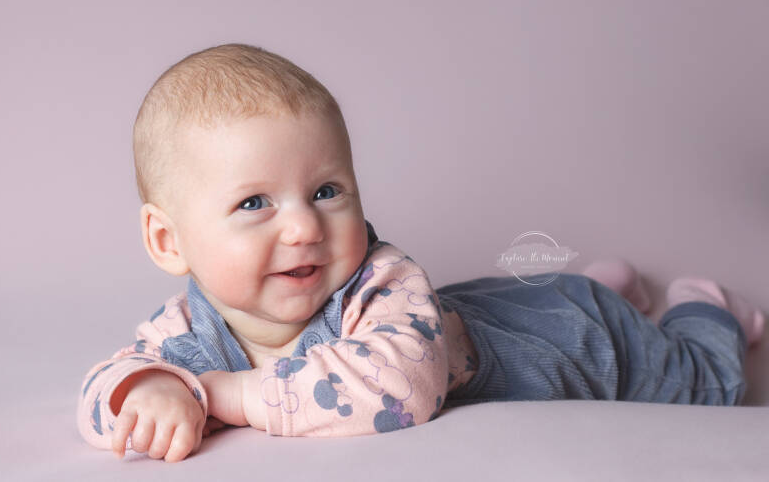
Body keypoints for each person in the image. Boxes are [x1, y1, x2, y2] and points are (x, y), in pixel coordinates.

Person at [76, 43, 766, 463]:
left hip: (580, 344)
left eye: (325, 190)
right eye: (255, 203)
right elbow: (104, 393)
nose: (304, 227)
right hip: (509, 310)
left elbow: (400, 387)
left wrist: (224, 394)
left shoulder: (382, 278)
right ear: (169, 241)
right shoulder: (188, 328)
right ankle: (604, 287)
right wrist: (152, 390)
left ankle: (704, 310)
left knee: (706, 385)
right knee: (551, 298)